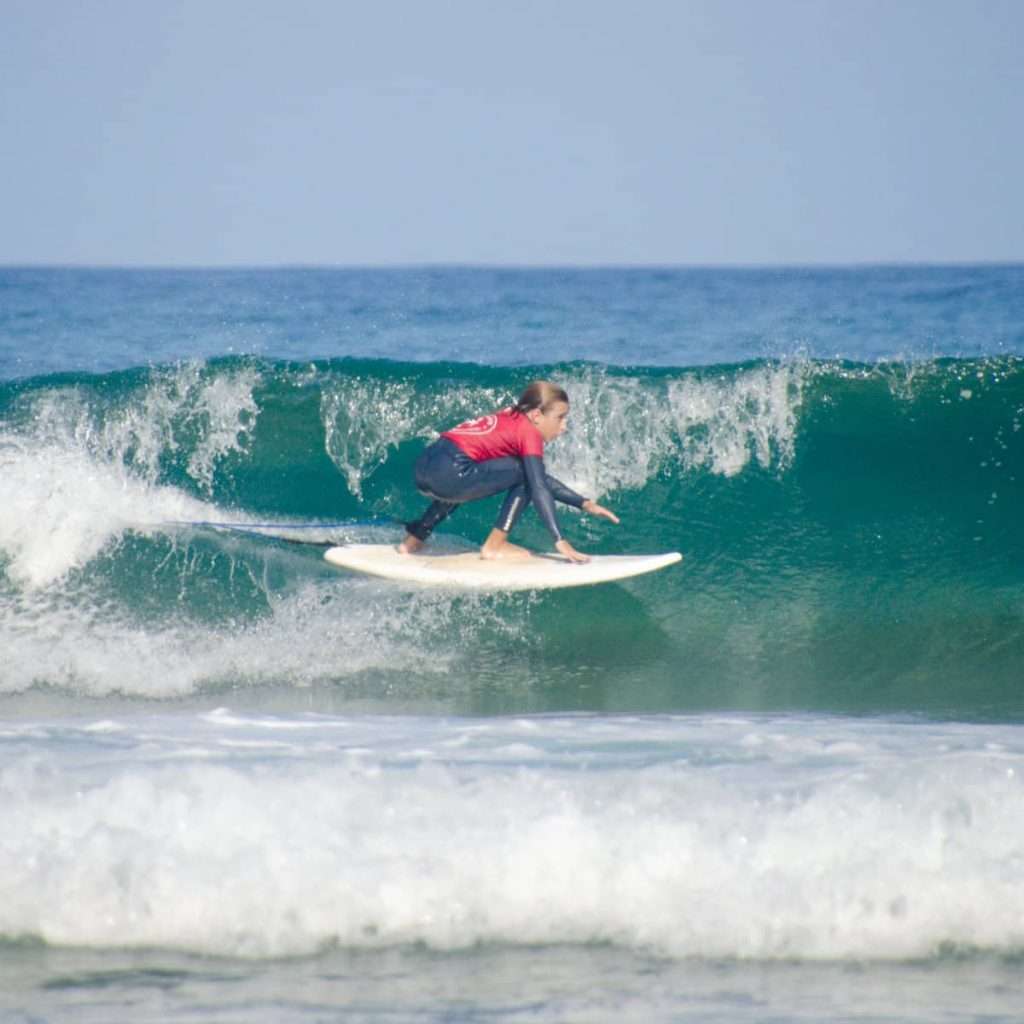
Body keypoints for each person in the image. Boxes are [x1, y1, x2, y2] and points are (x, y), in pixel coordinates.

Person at [398, 380, 619, 562]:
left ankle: (414, 540)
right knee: (521, 475)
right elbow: (537, 484)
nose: (564, 426)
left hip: (425, 468)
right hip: (451, 474)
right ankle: (495, 545)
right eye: (560, 417)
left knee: (476, 475)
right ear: (536, 416)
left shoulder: (510, 416)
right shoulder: (529, 433)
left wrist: (583, 503)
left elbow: (537, 478)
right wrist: (559, 539)